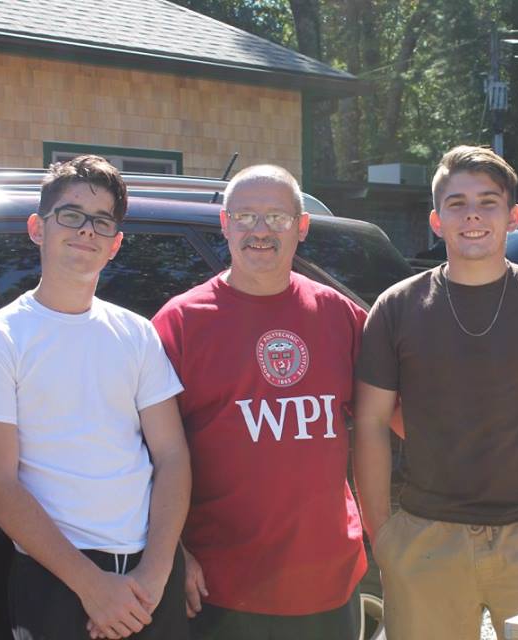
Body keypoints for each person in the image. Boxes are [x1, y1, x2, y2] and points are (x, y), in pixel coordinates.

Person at [354, 145, 518, 640]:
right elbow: (370, 422)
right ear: (436, 220)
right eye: (457, 203)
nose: (472, 215)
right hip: (426, 538)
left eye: (488, 202)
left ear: (513, 217)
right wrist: (383, 535)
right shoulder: (396, 308)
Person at [0, 155, 191, 639]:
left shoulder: (138, 334)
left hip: (150, 576)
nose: (86, 229)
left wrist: (158, 570)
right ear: (37, 228)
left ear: (115, 244)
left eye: (102, 221)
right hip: (58, 581)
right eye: (71, 214)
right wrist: (92, 587)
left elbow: (171, 455)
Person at [151, 165, 367, 640]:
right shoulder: (180, 323)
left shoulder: (339, 314)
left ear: (302, 227)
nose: (261, 230)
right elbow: (141, 453)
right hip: (221, 587)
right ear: (224, 224)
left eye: (277, 217)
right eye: (245, 216)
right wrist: (171, 553)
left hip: (329, 580)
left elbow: (398, 417)